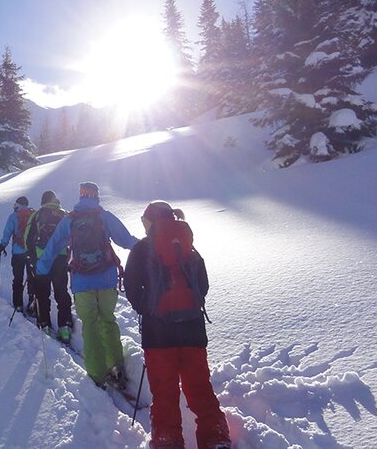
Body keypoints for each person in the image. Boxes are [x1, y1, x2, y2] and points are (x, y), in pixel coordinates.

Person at [123, 201, 231, 449]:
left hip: (158, 334)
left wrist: (149, 310)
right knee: (199, 386)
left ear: (150, 221)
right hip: (193, 329)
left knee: (165, 392)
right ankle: (216, 437)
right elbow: (202, 286)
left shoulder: (141, 249)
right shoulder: (187, 246)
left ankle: (167, 441)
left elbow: (130, 287)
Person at [36, 181, 139, 389]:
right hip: (107, 279)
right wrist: (148, 245)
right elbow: (127, 240)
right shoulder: (104, 216)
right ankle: (116, 369)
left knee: (90, 328)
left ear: (81, 196)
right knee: (108, 321)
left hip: (81, 282)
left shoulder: (69, 220)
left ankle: (97, 375)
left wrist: (41, 269)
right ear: (96, 196)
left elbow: (53, 246)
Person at [24, 190, 74, 343]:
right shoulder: (64, 215)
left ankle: (44, 324)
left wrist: (33, 258)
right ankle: (64, 327)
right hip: (60, 258)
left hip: (42, 260)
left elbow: (28, 238)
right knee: (61, 291)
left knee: (42, 292)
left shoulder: (37, 215)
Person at [0, 196, 35, 315]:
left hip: (18, 253)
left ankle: (18, 304)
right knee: (31, 278)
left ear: (18, 205)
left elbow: (7, 232)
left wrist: (2, 246)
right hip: (32, 253)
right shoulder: (34, 215)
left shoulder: (13, 216)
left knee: (17, 279)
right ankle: (32, 302)